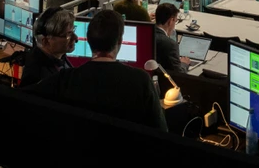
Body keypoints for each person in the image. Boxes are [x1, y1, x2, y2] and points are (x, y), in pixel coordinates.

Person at [27, 9, 166, 131]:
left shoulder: (64, 79)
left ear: (89, 41)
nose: (74, 39)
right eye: (68, 34)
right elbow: (161, 132)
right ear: (119, 41)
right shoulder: (141, 81)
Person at [19, 8, 75, 87]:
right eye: (68, 35)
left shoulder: (58, 57)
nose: (76, 38)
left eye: (73, 31)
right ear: (46, 41)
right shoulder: (38, 78)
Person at [154, 2, 189, 74]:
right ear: (170, 21)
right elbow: (179, 73)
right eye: (175, 21)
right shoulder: (170, 44)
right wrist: (184, 64)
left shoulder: (145, 35)